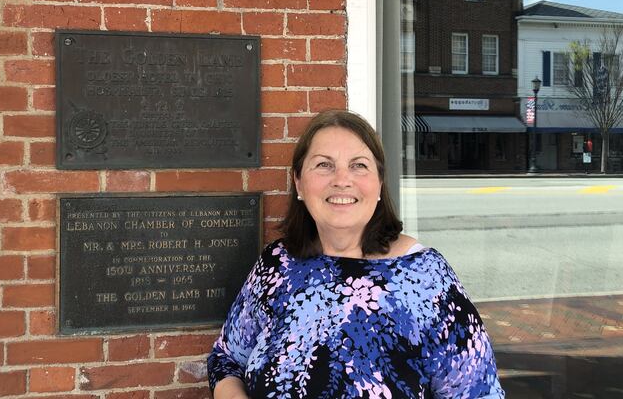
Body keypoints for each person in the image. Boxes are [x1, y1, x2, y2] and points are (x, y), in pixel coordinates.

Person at [207, 110, 504, 398]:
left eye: (358, 165)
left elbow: (480, 393)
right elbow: (226, 359)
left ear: (379, 183)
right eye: (324, 164)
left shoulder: (426, 278)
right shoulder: (276, 264)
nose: (341, 179)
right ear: (298, 182)